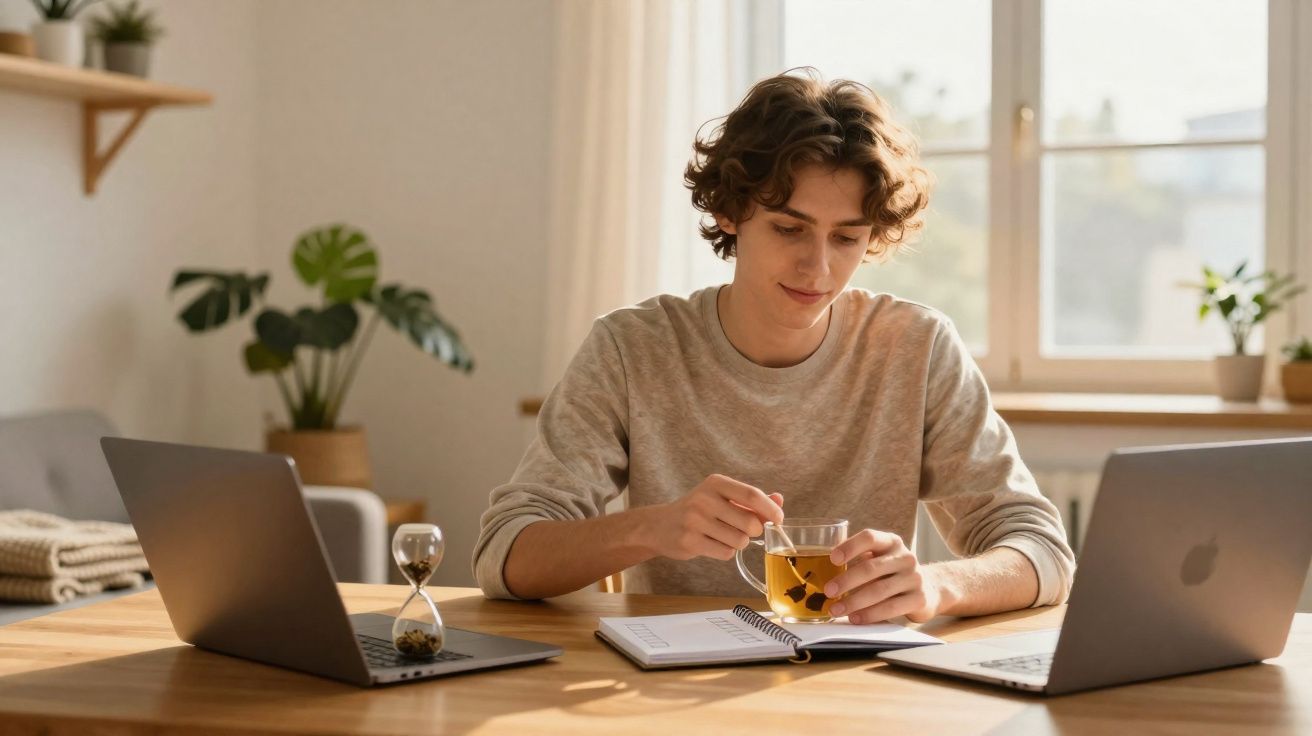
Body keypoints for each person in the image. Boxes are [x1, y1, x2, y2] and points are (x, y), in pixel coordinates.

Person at [473, 69, 1075, 624]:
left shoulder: (916, 348)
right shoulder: (633, 348)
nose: (818, 268)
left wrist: (937, 586)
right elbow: (505, 555)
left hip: (859, 690)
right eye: (789, 228)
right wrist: (653, 528)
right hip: (676, 687)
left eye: (847, 238)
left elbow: (1043, 552)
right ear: (731, 211)